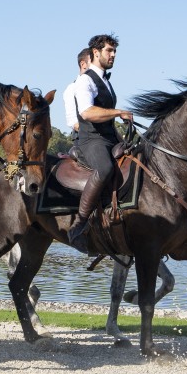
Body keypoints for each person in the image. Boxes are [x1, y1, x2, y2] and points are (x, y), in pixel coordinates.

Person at [66, 34, 133, 252]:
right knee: (104, 169)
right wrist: (118, 111)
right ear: (96, 53)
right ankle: (80, 224)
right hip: (91, 141)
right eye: (109, 51)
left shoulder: (105, 81)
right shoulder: (85, 80)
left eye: (114, 52)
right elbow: (87, 112)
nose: (113, 55)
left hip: (109, 139)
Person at [62, 48, 92, 136]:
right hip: (84, 140)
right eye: (93, 62)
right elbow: (74, 122)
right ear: (83, 64)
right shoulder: (72, 88)